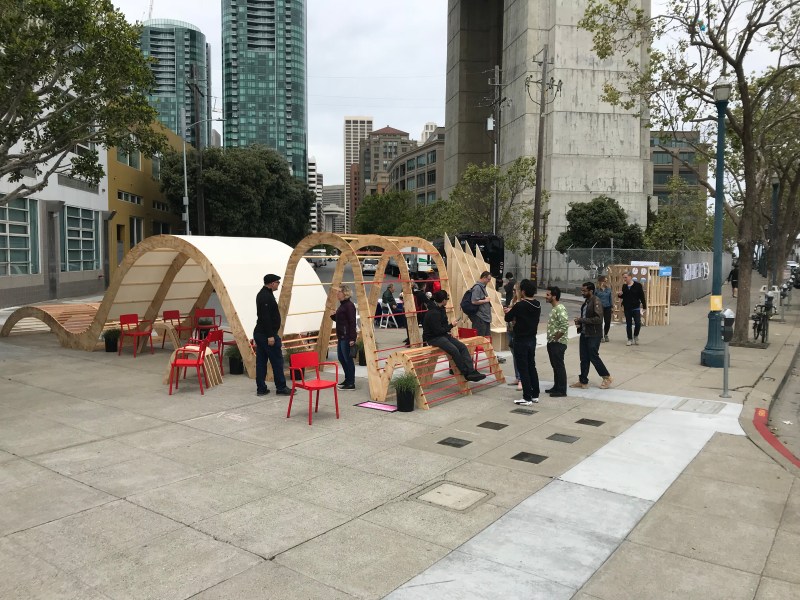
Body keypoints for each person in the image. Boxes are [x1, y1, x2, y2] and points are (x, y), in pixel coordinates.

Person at [424, 290, 486, 382]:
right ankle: (466, 373)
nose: (447, 301)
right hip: (434, 338)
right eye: (447, 299)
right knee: (454, 350)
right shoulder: (433, 313)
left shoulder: (441, 309)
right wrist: (451, 326)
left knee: (462, 347)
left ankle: (471, 371)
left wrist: (448, 329)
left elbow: (442, 327)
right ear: (443, 300)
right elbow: (437, 331)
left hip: (442, 335)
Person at [503, 279, 541, 405]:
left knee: (523, 368)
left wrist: (509, 312)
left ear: (523, 291)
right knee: (532, 366)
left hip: (521, 340)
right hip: (532, 339)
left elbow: (507, 317)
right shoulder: (537, 304)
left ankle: (527, 397)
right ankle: (535, 394)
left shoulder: (520, 305)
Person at [254, 274, 291, 397]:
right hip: (266, 335)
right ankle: (281, 387)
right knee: (276, 361)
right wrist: (270, 335)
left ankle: (261, 388)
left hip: (261, 333)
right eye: (277, 283)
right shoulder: (265, 296)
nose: (278, 285)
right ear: (271, 283)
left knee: (261, 362)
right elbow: (265, 317)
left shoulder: (265, 294)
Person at [571, 281, 613, 389]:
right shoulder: (586, 302)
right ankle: (583, 381)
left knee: (593, 356)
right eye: (582, 290)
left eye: (584, 290)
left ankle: (606, 377)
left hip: (594, 334)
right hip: (585, 333)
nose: (582, 292)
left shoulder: (596, 301)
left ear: (591, 291)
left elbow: (598, 319)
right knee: (584, 358)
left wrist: (582, 320)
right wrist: (580, 323)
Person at [330, 285, 357, 390]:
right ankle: (347, 379)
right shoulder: (342, 305)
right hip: (341, 336)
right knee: (342, 358)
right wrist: (334, 316)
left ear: (345, 293)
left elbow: (352, 322)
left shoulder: (349, 306)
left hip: (346, 337)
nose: (337, 293)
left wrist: (352, 338)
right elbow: (341, 320)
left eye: (339, 291)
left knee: (348, 359)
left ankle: (351, 383)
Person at [544, 286, 568, 397]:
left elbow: (564, 326)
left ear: (554, 296)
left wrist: (556, 338)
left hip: (558, 343)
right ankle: (556, 386)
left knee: (559, 366)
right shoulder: (555, 308)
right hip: (552, 342)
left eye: (548, 295)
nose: (546, 296)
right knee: (555, 366)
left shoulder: (560, 308)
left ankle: (562, 390)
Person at [618, 272, 647, 346]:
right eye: (623, 277)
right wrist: (620, 295)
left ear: (630, 277)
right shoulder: (624, 286)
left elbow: (642, 296)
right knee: (628, 324)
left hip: (636, 307)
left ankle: (636, 336)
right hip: (627, 307)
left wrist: (644, 306)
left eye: (626, 277)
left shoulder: (638, 285)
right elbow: (623, 296)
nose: (624, 279)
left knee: (638, 323)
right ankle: (629, 339)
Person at [469, 271, 493, 337]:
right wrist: (485, 300)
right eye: (488, 279)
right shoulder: (477, 287)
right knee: (480, 338)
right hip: (480, 318)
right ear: (484, 277)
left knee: (486, 338)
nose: (489, 281)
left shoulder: (482, 287)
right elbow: (474, 301)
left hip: (484, 317)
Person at [595, 275, 613, 343]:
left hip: (607, 307)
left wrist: (612, 307)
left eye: (606, 281)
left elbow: (610, 298)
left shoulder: (608, 289)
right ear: (600, 281)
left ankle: (606, 334)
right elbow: (594, 298)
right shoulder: (597, 290)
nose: (606, 282)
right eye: (604, 281)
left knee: (607, 322)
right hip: (599, 307)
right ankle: (600, 336)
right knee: (600, 322)